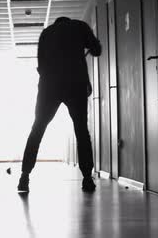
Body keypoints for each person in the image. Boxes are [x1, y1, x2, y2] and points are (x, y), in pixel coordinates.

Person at [18, 16, 102, 193]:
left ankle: (24, 177)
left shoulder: (46, 33)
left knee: (37, 129)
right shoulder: (80, 26)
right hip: (75, 84)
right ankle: (87, 178)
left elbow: (40, 66)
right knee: (81, 131)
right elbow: (96, 50)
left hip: (50, 86)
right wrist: (92, 45)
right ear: (68, 21)